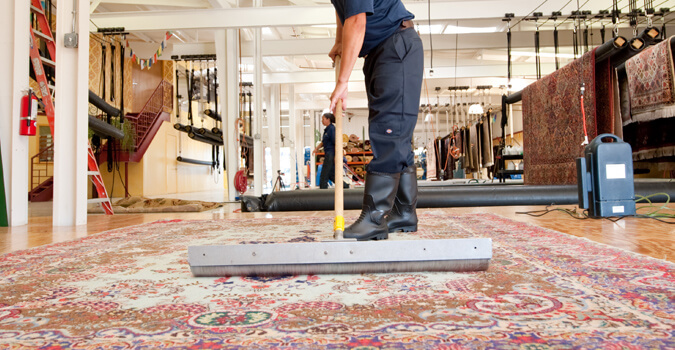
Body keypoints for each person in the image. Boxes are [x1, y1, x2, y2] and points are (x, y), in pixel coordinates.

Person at [328, 0, 423, 240]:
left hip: (395, 45)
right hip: (381, 50)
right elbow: (344, 12)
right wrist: (340, 41)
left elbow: (357, 20)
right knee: (394, 132)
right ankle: (403, 213)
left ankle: (374, 219)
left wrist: (343, 81)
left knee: (389, 130)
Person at [313, 112, 336, 189]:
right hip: (328, 153)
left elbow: (336, 142)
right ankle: (345, 186)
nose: (322, 121)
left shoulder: (332, 129)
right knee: (330, 175)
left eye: (323, 119)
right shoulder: (326, 130)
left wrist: (336, 156)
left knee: (324, 174)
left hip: (331, 154)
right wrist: (316, 149)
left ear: (328, 119)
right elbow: (323, 142)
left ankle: (322, 192)